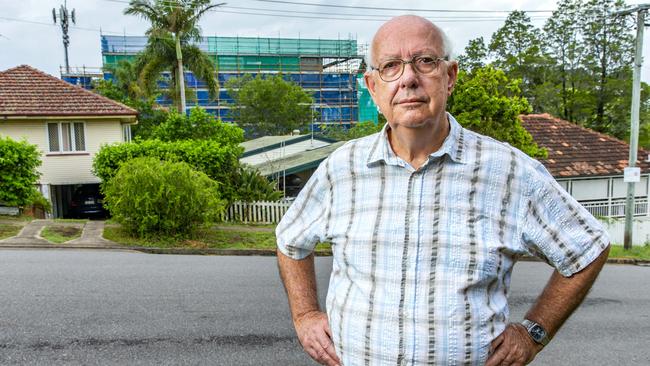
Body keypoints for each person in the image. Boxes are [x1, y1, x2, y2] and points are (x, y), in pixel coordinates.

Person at [276, 15, 610, 366]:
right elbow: (290, 240)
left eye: (425, 61)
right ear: (373, 87)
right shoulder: (341, 168)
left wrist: (533, 332)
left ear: (449, 77)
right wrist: (305, 315)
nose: (408, 79)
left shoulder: (510, 171)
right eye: (391, 66)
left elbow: (587, 248)